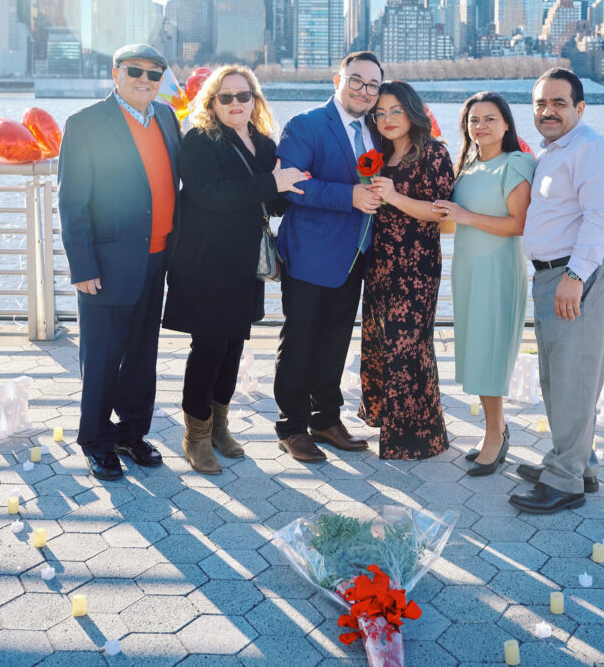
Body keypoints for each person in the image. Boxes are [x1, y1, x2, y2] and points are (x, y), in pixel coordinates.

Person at [163, 66, 308, 474]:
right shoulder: (198, 140)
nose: (235, 104)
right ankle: (195, 436)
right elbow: (210, 195)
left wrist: (295, 185)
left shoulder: (263, 144)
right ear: (211, 102)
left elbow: (272, 200)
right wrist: (272, 184)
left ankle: (220, 427)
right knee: (208, 346)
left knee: (233, 347)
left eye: (243, 96)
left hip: (245, 262)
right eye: (225, 97)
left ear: (255, 100)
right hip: (205, 260)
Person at [58, 44, 182, 481]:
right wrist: (83, 267)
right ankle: (95, 441)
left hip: (157, 259)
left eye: (154, 74)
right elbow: (71, 203)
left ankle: (132, 433)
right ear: (116, 73)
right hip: (107, 265)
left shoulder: (167, 117)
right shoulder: (85, 124)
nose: (145, 80)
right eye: (136, 71)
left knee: (143, 355)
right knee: (103, 359)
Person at [509, 68, 604, 514]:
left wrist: (574, 279)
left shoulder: (592, 150)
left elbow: (600, 219)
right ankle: (579, 463)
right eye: (540, 103)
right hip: (552, 276)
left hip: (578, 277)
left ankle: (566, 483)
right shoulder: (554, 151)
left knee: (573, 381)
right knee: (559, 381)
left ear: (580, 107)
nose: (547, 111)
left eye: (558, 103)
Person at [273, 52, 384, 462]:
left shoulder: (377, 129)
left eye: (373, 85)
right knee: (301, 339)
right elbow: (291, 187)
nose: (364, 91)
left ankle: (326, 419)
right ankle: (292, 425)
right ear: (337, 79)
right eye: (356, 80)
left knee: (336, 340)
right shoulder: (306, 125)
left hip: (356, 255)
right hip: (310, 253)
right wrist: (350, 196)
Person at [433, 92, 535, 476]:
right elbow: (449, 222)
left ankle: (496, 435)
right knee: (476, 349)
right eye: (473, 120)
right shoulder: (466, 166)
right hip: (468, 268)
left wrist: (464, 215)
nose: (481, 126)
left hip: (498, 267)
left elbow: (518, 225)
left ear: (506, 124)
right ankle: (495, 427)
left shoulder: (517, 163)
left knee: (492, 350)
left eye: (490, 118)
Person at [359, 81, 454, 460]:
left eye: (395, 110)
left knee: (408, 344)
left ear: (412, 111)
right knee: (380, 341)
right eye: (379, 113)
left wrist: (395, 197)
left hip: (416, 265)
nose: (387, 119)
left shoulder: (434, 153)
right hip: (379, 262)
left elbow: (442, 212)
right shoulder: (377, 155)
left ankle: (419, 436)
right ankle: (388, 421)